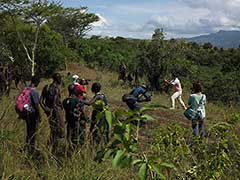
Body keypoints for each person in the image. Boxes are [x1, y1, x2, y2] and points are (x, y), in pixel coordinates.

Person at [40, 73, 65, 150]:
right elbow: (55, 103)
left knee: (53, 130)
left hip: (49, 111)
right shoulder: (56, 89)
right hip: (56, 112)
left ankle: (49, 148)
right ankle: (53, 149)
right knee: (59, 131)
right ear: (58, 79)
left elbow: (41, 101)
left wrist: (45, 109)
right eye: (60, 78)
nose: (61, 80)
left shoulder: (46, 87)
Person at [24, 76, 41, 153]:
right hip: (32, 113)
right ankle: (32, 148)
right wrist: (39, 115)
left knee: (28, 130)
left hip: (27, 111)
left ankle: (27, 145)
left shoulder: (26, 89)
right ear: (36, 82)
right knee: (33, 131)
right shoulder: (34, 91)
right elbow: (36, 104)